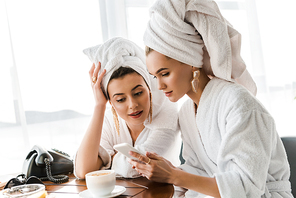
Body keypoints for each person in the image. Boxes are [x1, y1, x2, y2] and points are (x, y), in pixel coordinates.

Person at [128, 0, 293, 197]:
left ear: (191, 62)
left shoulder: (239, 104)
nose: (159, 85)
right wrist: (165, 170)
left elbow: (245, 187)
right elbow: (198, 170)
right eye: (155, 76)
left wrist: (173, 176)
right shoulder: (187, 112)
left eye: (165, 73)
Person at [74, 37, 180, 179]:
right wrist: (99, 106)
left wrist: (108, 161)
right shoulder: (109, 120)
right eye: (120, 99)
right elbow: (84, 171)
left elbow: (132, 168)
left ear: (149, 88)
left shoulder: (168, 112)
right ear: (110, 101)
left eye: (138, 93)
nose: (133, 105)